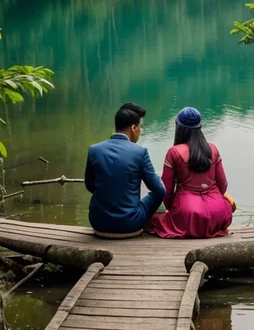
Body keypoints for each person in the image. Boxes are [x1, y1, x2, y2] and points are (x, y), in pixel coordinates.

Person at [145, 107, 233, 239]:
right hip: (217, 213)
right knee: (227, 204)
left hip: (188, 213)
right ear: (200, 127)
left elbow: (167, 191)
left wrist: (171, 209)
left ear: (179, 127)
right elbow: (223, 186)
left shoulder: (174, 152)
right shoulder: (213, 149)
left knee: (151, 220)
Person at [85, 102, 166, 236]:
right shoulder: (140, 152)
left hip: (98, 223)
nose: (141, 130)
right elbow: (160, 190)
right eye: (141, 126)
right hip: (130, 224)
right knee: (158, 192)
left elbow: (90, 185)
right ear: (133, 128)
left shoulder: (94, 150)